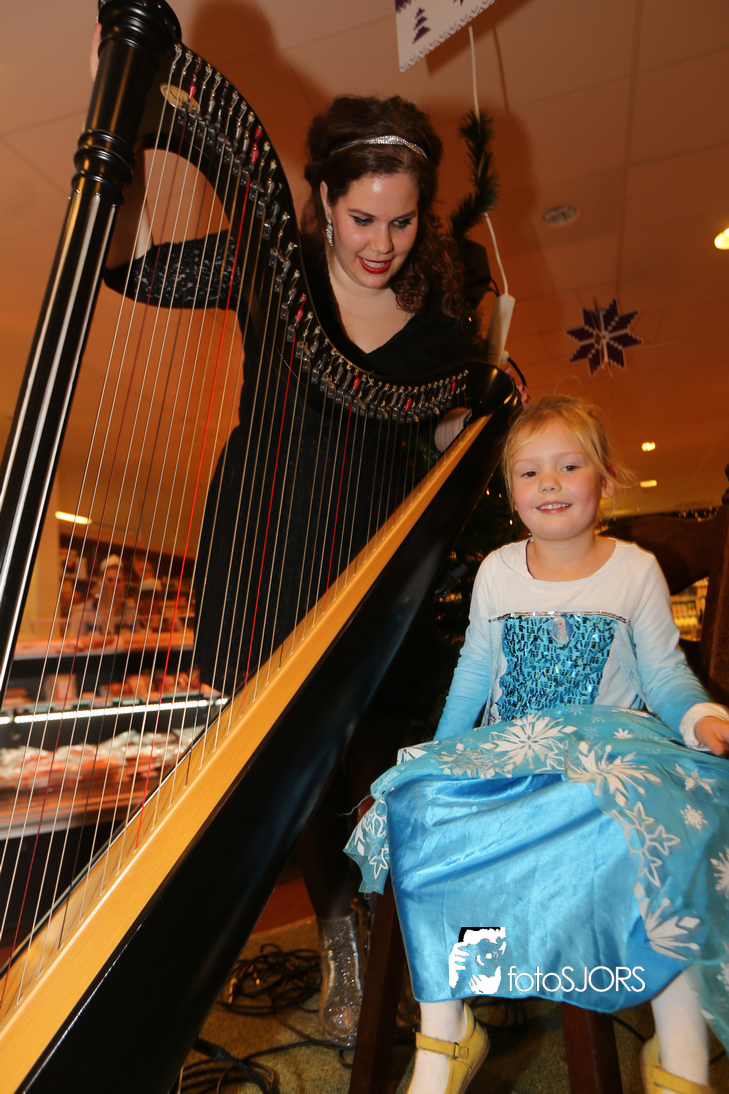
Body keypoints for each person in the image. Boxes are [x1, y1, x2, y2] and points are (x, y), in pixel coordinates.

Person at [93, 19, 485, 1044]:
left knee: (368, 771)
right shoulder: (273, 268)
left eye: (402, 221)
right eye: (361, 217)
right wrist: (122, 134)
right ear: (320, 199)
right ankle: (333, 934)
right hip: (263, 556)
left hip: (370, 576)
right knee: (287, 777)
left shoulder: (440, 334)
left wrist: (471, 430)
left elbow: (448, 443)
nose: (381, 242)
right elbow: (129, 268)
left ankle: (399, 937)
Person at [346, 394, 729, 1094]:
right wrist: (442, 752)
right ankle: (446, 1034)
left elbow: (664, 674)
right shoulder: (497, 570)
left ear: (606, 479)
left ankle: (680, 1049)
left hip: (607, 751)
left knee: (662, 829)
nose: (549, 482)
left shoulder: (634, 570)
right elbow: (474, 671)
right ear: (511, 491)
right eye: (529, 472)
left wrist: (699, 714)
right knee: (421, 811)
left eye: (569, 466)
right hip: (510, 750)